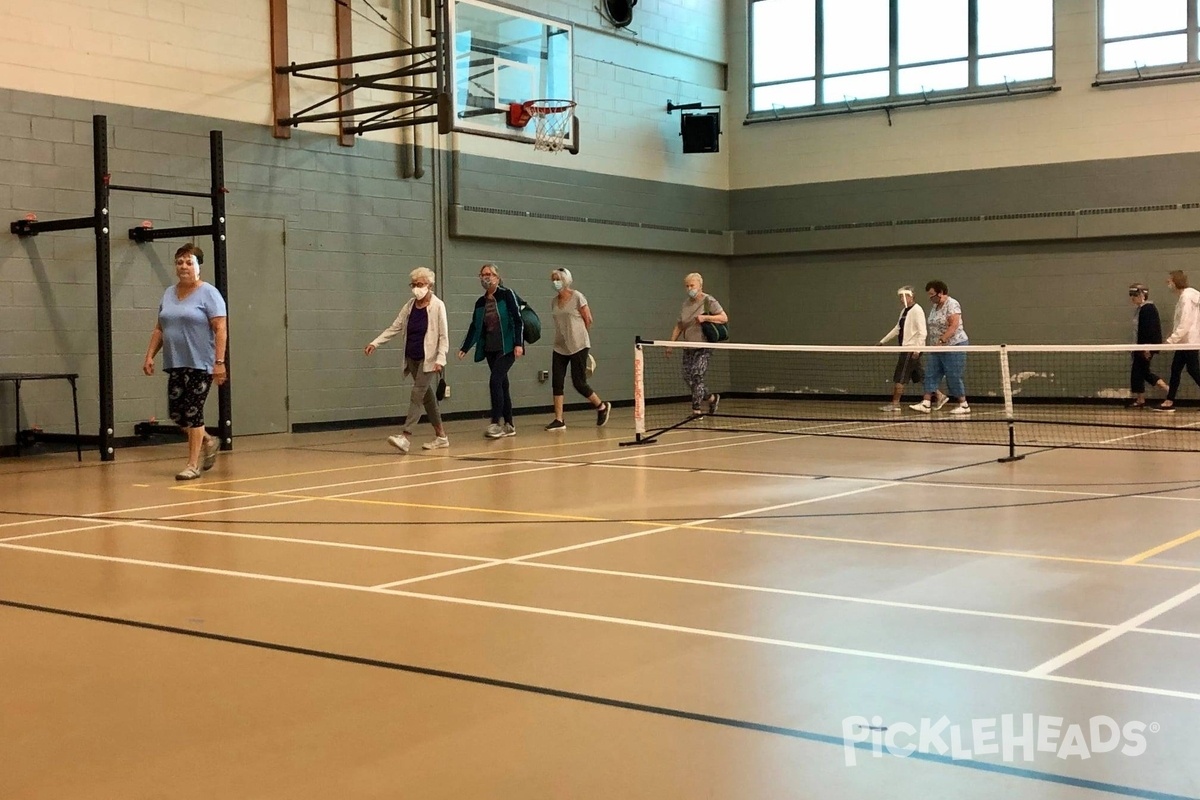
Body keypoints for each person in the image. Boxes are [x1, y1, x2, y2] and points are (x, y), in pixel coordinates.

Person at [142, 243, 227, 480]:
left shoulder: (209, 293)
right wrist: (150, 354)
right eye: (180, 262)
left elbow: (220, 328)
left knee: (193, 411)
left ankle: (192, 465)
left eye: (189, 262)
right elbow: (160, 328)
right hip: (176, 362)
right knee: (178, 414)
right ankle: (209, 441)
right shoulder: (169, 293)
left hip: (201, 363)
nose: (184, 267)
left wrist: (219, 362)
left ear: (198, 266)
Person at [364, 267, 449, 452]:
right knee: (428, 399)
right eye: (414, 284)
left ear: (429, 285)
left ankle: (405, 436)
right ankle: (441, 436)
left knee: (417, 394)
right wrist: (375, 343)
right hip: (412, 358)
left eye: (420, 284)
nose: (416, 288)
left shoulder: (437, 306)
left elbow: (443, 335)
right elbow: (395, 327)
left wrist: (440, 359)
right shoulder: (410, 305)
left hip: (429, 360)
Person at [458, 262, 524, 437]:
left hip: (507, 346)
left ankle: (495, 423)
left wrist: (519, 344)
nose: (486, 277)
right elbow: (475, 326)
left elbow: (518, 320)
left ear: (497, 277)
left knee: (495, 380)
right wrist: (465, 347)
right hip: (490, 348)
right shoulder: (480, 302)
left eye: (489, 274)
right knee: (503, 383)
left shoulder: (506, 295)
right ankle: (509, 424)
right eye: (483, 274)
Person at [544, 268, 610, 431]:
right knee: (557, 382)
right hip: (560, 346)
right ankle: (559, 419)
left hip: (579, 345)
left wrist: (581, 338)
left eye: (557, 279)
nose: (555, 282)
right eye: (553, 279)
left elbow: (588, 319)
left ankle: (601, 406)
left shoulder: (577, 297)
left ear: (566, 280)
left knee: (579, 382)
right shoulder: (553, 301)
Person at [668, 272, 727, 416]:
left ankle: (696, 409)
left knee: (697, 375)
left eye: (692, 285)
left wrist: (705, 317)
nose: (689, 288)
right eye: (687, 286)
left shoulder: (709, 301)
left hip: (704, 346)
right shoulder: (685, 304)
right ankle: (711, 398)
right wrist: (670, 344)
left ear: (700, 285)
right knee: (688, 377)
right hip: (688, 346)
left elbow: (724, 318)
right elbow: (680, 325)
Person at [910, 280, 970, 415]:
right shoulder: (935, 307)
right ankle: (926, 403)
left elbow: (953, 326)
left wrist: (942, 340)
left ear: (941, 293)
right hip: (936, 348)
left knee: (953, 375)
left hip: (954, 346)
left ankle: (963, 404)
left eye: (932, 294)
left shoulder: (952, 304)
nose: (930, 297)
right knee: (930, 373)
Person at [877, 285, 929, 412]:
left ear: (911, 296)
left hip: (911, 349)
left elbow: (923, 332)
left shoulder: (917, 310)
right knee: (920, 375)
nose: (901, 299)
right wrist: (882, 341)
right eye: (900, 296)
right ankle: (940, 395)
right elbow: (897, 328)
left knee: (900, 376)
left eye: (904, 296)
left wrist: (917, 350)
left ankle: (895, 403)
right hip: (905, 348)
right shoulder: (904, 311)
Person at [1155, 270, 1200, 412]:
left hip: (1189, 342)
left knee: (1193, 370)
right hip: (1184, 343)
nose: (1168, 284)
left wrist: (1171, 341)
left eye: (1170, 281)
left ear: (1176, 282)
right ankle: (1169, 401)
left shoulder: (1186, 298)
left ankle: (1169, 400)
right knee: (1175, 370)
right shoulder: (1185, 297)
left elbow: (1185, 323)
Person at [1126, 283, 1169, 409]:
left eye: (1135, 295)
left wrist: (1147, 348)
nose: (1132, 298)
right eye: (1131, 295)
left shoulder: (1148, 309)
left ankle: (1169, 391)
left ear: (1142, 295)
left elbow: (1150, 330)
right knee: (1140, 373)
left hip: (1144, 348)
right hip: (1138, 347)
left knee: (1142, 372)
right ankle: (1141, 399)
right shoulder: (1139, 309)